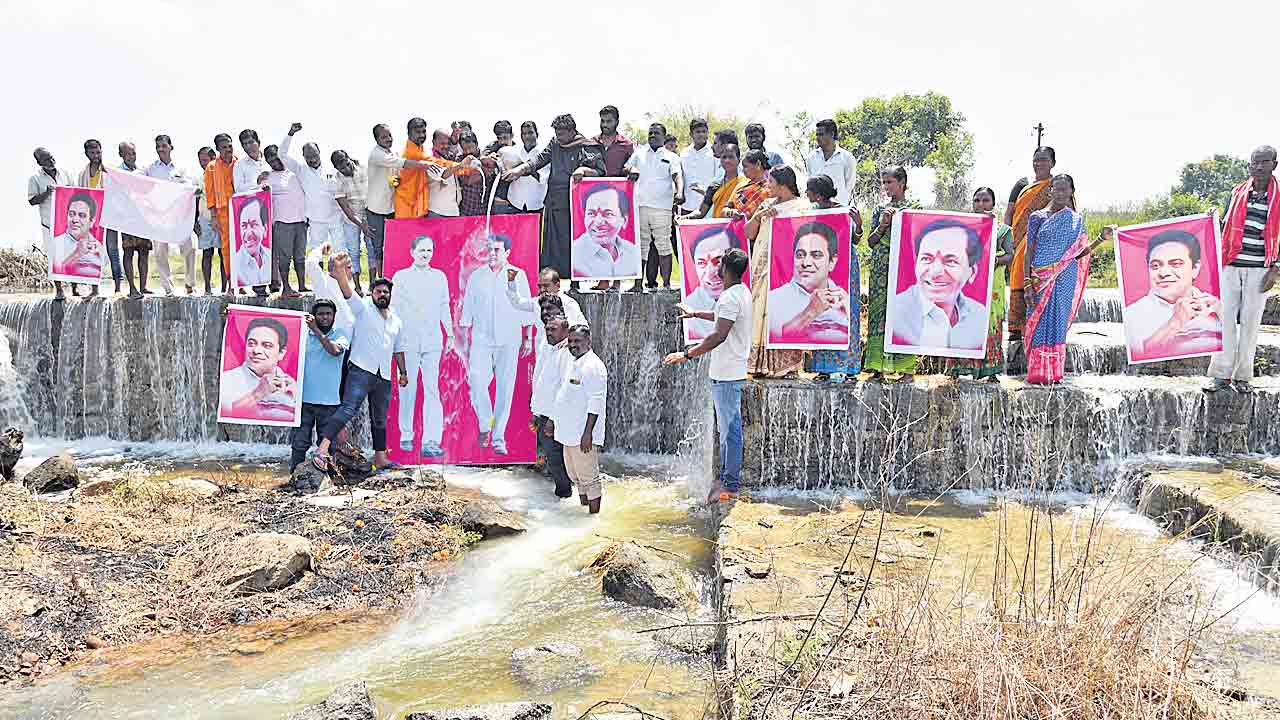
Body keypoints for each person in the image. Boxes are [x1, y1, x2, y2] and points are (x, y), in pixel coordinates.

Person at [663, 247, 751, 504]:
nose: (716, 268)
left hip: (727, 374)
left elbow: (719, 334)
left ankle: (730, 485)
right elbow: (723, 317)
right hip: (730, 371)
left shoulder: (730, 297)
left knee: (730, 432)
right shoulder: (740, 292)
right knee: (727, 431)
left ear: (725, 268)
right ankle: (725, 478)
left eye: (719, 264)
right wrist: (695, 313)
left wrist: (687, 354)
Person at [314, 269, 406, 473]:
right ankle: (322, 450)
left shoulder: (396, 320)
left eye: (386, 292)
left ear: (390, 295)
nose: (382, 295)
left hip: (383, 375)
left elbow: (398, 349)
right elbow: (348, 292)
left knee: (380, 418)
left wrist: (403, 372)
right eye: (378, 291)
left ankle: (380, 457)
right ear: (372, 293)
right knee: (347, 409)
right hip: (361, 370)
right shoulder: (363, 308)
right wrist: (341, 274)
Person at [1206, 145, 1280, 393]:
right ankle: (1220, 375)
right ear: (1249, 166)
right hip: (1230, 266)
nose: (1258, 167)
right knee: (1224, 320)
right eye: (1254, 162)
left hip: (1260, 270)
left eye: (1264, 162)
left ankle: (1243, 377)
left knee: (1250, 323)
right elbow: (1225, 225)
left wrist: (1275, 270)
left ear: (1274, 165)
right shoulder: (1236, 193)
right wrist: (1213, 218)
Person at [501, 114, 605, 282]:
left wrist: (584, 170)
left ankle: (575, 283)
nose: (558, 137)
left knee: (573, 243)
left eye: (561, 134)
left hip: (575, 205)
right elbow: (539, 160)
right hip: (553, 202)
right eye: (556, 133)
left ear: (572, 131)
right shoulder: (555, 144)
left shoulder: (586, 146)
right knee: (553, 246)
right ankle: (553, 281)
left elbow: (600, 172)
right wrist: (520, 170)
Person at [461, 233, 534, 455]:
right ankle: (486, 425)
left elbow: (526, 308)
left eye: (497, 250)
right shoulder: (477, 276)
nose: (492, 254)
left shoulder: (517, 275)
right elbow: (468, 308)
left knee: (505, 388)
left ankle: (498, 437)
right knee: (476, 381)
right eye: (489, 249)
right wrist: (464, 338)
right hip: (481, 339)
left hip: (509, 338)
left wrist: (528, 337)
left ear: (507, 253)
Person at [931, 187, 1013, 380]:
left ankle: (990, 371)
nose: (981, 205)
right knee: (962, 320)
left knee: (990, 324)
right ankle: (956, 370)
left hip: (992, 286)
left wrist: (994, 260)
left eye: (985, 201)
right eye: (977, 201)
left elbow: (1010, 255)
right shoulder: (963, 229)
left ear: (993, 203)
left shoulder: (1002, 230)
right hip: (967, 284)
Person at [1023, 174, 1093, 385]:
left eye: (1065, 189)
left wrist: (1102, 238)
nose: (1061, 193)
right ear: (1050, 190)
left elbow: (1080, 253)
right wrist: (1027, 282)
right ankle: (1036, 372)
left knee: (1058, 323)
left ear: (1071, 192)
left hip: (1065, 277)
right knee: (1037, 322)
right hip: (1040, 278)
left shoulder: (1076, 220)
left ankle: (1054, 373)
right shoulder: (1037, 217)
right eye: (1057, 189)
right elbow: (1029, 250)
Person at [392, 235, 454, 458]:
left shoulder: (439, 277)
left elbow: (444, 306)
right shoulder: (401, 277)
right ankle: (406, 435)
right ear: (412, 252)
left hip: (432, 341)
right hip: (407, 341)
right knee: (407, 389)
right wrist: (394, 339)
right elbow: (393, 309)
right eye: (421, 250)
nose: (425, 254)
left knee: (432, 390)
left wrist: (450, 334)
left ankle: (431, 440)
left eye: (429, 250)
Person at [744, 166, 809, 377]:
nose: (767, 186)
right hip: (762, 269)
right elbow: (748, 233)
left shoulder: (802, 207)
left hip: (787, 271)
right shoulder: (766, 205)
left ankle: (787, 366)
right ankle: (759, 364)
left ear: (783, 185)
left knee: (786, 313)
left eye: (771, 182)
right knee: (759, 312)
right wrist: (758, 216)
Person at [890, 218, 988, 351]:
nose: (935, 272)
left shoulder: (980, 317)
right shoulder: (895, 313)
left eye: (951, 261)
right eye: (926, 259)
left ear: (972, 272)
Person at [1124, 229, 1222, 359]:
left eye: (1175, 264)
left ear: (1195, 268)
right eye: (1155, 266)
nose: (1163, 273)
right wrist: (1174, 324)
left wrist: (1224, 316)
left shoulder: (1219, 307)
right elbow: (1136, 357)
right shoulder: (1131, 315)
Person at [863, 166, 922, 381]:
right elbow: (871, 242)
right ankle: (877, 367)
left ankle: (906, 369)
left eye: (890, 182)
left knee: (904, 314)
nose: (886, 186)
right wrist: (883, 225)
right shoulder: (880, 209)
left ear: (902, 182)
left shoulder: (915, 209)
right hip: (881, 268)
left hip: (905, 268)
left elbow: (920, 239)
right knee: (878, 314)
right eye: (884, 182)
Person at [805, 174, 864, 381]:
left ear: (818, 195)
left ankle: (849, 367)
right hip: (822, 268)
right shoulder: (811, 213)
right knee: (822, 315)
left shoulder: (844, 211)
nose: (806, 193)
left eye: (809, 190)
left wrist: (858, 224)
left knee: (846, 312)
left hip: (845, 268)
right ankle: (824, 367)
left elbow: (855, 239)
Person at [368, 123, 439, 281]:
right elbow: (401, 163)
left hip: (391, 207)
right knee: (378, 248)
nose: (388, 139)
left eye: (389, 135)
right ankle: (379, 281)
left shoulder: (393, 152)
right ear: (376, 139)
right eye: (384, 137)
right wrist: (422, 165)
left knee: (392, 245)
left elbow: (395, 176)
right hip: (376, 209)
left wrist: (397, 182)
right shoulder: (376, 154)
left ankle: (390, 277)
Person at [1008, 147, 1064, 346]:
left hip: (1046, 247)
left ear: (1053, 163)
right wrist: (1007, 238)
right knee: (1018, 280)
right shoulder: (1022, 185)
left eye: (1043, 160)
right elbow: (1010, 213)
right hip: (1019, 244)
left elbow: (1067, 215)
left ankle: (1040, 329)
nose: (1038, 163)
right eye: (1036, 160)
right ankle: (1016, 329)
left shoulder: (1058, 186)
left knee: (1042, 283)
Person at [766, 220, 851, 343]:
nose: (806, 263)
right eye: (800, 255)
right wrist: (810, 312)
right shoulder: (773, 301)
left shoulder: (845, 301)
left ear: (832, 262)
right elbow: (774, 341)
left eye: (816, 255)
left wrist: (850, 317)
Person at [290, 299, 350, 471]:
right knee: (299, 444)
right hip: (303, 401)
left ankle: (327, 479)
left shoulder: (340, 335)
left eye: (328, 314)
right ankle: (295, 476)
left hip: (329, 403)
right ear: (314, 316)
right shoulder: (302, 334)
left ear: (334, 316)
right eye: (321, 314)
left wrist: (315, 330)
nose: (325, 317)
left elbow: (334, 351)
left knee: (328, 447)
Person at [553, 324, 607, 514]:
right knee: (576, 477)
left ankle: (593, 519)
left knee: (589, 479)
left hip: (582, 434)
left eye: (577, 341)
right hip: (568, 432)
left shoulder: (593, 366)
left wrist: (587, 434)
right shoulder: (573, 361)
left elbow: (596, 402)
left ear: (588, 342)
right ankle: (583, 512)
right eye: (570, 341)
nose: (573, 345)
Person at [625, 123, 684, 290]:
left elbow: (677, 176)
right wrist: (631, 169)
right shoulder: (639, 153)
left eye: (656, 133)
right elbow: (626, 167)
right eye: (650, 133)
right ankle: (637, 285)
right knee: (641, 246)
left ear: (664, 137)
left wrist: (679, 192)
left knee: (663, 245)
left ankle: (666, 285)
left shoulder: (671, 156)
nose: (652, 136)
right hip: (640, 205)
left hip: (662, 207)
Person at [145, 134, 198, 296]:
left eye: (163, 146)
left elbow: (189, 188)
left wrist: (194, 191)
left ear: (171, 147)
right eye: (158, 146)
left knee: (190, 245)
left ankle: (190, 284)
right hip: (158, 216)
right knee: (160, 251)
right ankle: (168, 288)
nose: (161, 149)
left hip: (179, 215)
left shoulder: (181, 168)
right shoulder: (150, 169)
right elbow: (137, 182)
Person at [219, 316, 298, 423]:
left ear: (281, 353)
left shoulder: (294, 387)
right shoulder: (226, 380)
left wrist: (298, 399)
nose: (256, 350)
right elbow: (225, 414)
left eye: (267, 345)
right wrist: (258, 393)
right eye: (251, 344)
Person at [532, 312, 573, 498]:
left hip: (554, 418)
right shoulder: (551, 349)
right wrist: (535, 412)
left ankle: (565, 496)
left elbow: (565, 390)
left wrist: (552, 420)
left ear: (565, 331)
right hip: (544, 415)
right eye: (547, 329)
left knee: (557, 459)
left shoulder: (566, 354)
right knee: (552, 459)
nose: (549, 332)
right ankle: (562, 496)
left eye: (553, 329)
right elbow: (544, 384)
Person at [28, 148, 75, 299]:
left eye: (51, 157)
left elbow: (75, 192)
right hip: (49, 224)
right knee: (54, 257)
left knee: (73, 255)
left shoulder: (65, 173)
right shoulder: (35, 178)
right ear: (39, 162)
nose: (51, 161)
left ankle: (75, 288)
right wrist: (46, 193)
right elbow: (32, 200)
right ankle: (59, 290)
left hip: (68, 222)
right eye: (46, 160)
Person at [683, 224, 744, 339]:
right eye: (702, 263)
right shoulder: (690, 304)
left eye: (718, 261)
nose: (710, 274)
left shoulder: (747, 296)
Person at [262, 142, 307, 295]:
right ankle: (286, 288)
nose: (274, 163)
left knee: (300, 256)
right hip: (282, 223)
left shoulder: (294, 172)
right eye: (270, 161)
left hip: (301, 221)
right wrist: (264, 189)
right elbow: (261, 193)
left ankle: (302, 286)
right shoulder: (267, 177)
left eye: (276, 158)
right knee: (284, 257)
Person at [572, 182, 640, 279]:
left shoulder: (632, 253)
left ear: (624, 220)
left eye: (608, 214)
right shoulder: (575, 255)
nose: (598, 222)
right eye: (591, 213)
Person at [77, 139, 119, 294]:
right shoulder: (82, 174)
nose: (96, 156)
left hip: (109, 216)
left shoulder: (110, 171)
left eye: (98, 152)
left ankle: (117, 288)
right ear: (86, 154)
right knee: (91, 251)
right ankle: (94, 288)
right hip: (92, 218)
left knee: (112, 250)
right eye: (92, 153)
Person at [332, 150, 375, 295]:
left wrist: (368, 221)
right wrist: (362, 225)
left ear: (349, 158)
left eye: (346, 163)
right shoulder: (336, 181)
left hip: (370, 214)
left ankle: (372, 285)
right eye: (341, 168)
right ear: (336, 168)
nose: (346, 168)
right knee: (354, 252)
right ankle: (357, 287)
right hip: (351, 220)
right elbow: (347, 209)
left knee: (372, 250)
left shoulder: (363, 169)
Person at [115, 142, 154, 299]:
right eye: (128, 154)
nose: (131, 157)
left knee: (144, 252)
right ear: (121, 155)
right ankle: (132, 288)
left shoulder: (143, 171)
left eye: (133, 153)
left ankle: (143, 286)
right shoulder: (117, 173)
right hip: (127, 219)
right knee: (129, 252)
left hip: (143, 218)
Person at [205, 133, 238, 291]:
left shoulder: (239, 163)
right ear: (218, 149)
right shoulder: (211, 167)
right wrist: (213, 217)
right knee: (227, 249)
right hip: (223, 212)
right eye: (224, 147)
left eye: (230, 146)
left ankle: (244, 282)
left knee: (244, 245)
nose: (228, 150)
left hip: (241, 209)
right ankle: (232, 283)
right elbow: (210, 194)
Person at [494, 121, 548, 214]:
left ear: (537, 134)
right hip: (514, 203)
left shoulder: (544, 154)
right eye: (524, 133)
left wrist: (521, 169)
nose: (527, 136)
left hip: (536, 205)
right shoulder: (514, 151)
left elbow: (542, 178)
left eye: (530, 133)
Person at [49, 191, 103, 282]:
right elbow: (58, 271)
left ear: (91, 222)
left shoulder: (99, 247)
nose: (75, 220)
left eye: (82, 215)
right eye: (71, 214)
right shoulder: (56, 243)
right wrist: (77, 254)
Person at [689, 144, 748, 220]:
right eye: (724, 157)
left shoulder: (745, 183)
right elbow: (701, 212)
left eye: (731, 157)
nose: (727, 160)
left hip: (736, 225)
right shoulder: (715, 184)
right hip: (717, 225)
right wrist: (685, 217)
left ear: (739, 160)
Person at [806, 119, 857, 206]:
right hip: (817, 208)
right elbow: (811, 181)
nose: (818, 138)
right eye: (817, 135)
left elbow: (849, 184)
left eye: (821, 134)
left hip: (839, 206)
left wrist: (839, 199)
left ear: (832, 134)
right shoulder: (812, 157)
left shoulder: (846, 157)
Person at [232, 194, 273, 293]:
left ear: (265, 229)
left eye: (254, 225)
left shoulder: (269, 256)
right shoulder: (236, 265)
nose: (249, 233)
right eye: (244, 226)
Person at [195, 146, 222, 294]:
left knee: (224, 253)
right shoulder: (199, 178)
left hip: (222, 218)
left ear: (213, 159)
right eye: (200, 161)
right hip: (205, 219)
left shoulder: (221, 175)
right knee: (207, 253)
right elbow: (194, 201)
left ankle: (226, 287)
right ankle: (207, 287)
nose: (202, 163)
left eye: (205, 160)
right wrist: (195, 222)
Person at [681, 118, 717, 216]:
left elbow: (717, 180)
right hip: (687, 205)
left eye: (704, 131)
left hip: (708, 206)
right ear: (691, 134)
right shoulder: (684, 153)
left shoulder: (714, 152)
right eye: (698, 132)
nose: (701, 134)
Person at [426, 129, 464, 217]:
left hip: (453, 212)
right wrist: (462, 165)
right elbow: (443, 174)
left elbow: (458, 149)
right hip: (437, 213)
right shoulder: (429, 158)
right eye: (442, 143)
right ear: (433, 142)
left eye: (448, 143)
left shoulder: (448, 156)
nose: (446, 146)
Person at [725, 150, 771, 220]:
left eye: (745, 166)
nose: (743, 170)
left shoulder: (770, 189)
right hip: (735, 225)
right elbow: (724, 210)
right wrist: (731, 212)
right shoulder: (741, 186)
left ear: (758, 164)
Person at [457, 131, 495, 217]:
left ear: (477, 144)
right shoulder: (459, 160)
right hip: (467, 210)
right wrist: (482, 167)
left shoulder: (488, 157)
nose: (468, 151)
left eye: (470, 147)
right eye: (464, 149)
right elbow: (467, 181)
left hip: (486, 212)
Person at [593, 105, 633, 178]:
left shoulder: (627, 144)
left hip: (618, 185)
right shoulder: (592, 142)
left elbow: (630, 168)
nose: (604, 125)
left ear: (617, 122)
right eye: (602, 121)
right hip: (592, 185)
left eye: (609, 121)